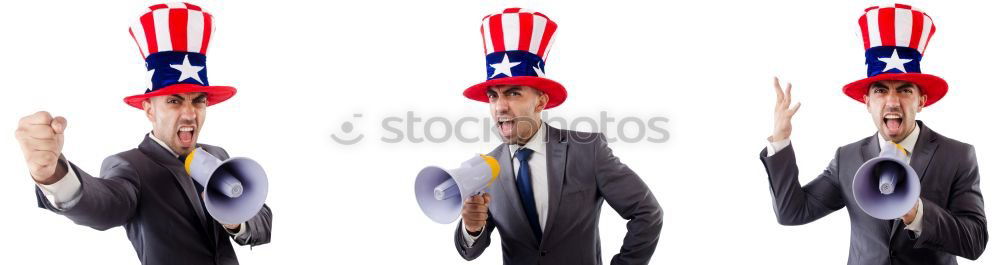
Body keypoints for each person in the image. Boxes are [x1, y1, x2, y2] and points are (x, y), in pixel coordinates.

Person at [14, 3, 272, 265]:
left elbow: (263, 224)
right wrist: (52, 175)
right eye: (174, 101)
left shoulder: (218, 155)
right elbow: (103, 207)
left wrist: (235, 220)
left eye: (198, 101)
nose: (189, 113)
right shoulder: (131, 166)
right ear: (149, 110)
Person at [761, 4, 986, 264]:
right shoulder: (847, 158)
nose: (892, 101)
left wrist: (918, 214)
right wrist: (780, 140)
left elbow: (975, 240)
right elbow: (792, 212)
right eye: (880, 90)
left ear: (921, 101)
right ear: (867, 101)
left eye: (904, 90)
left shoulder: (957, 156)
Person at [452, 8, 663, 265]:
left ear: (541, 102)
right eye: (493, 96)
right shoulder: (486, 168)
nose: (499, 106)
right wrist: (472, 229)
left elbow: (647, 213)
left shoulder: (588, 150)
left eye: (513, 93)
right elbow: (469, 251)